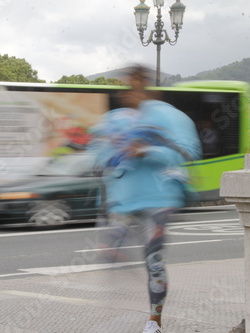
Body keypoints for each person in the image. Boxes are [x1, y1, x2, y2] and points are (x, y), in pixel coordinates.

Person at [91, 65, 202, 333]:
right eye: (126, 86)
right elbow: (100, 158)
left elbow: (189, 152)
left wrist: (147, 151)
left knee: (153, 259)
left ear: (145, 85)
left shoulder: (169, 117)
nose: (127, 92)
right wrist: (111, 151)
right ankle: (120, 255)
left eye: (133, 85)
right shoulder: (119, 119)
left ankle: (154, 320)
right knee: (109, 250)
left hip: (160, 197)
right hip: (127, 201)